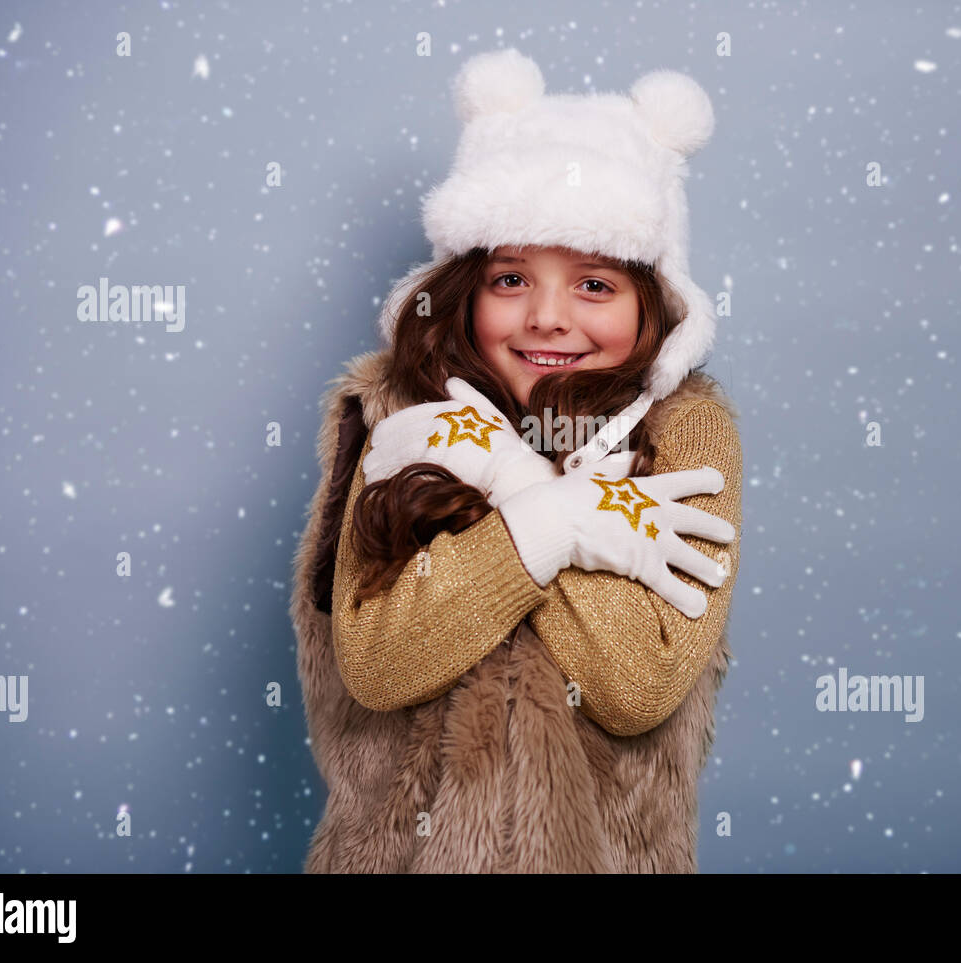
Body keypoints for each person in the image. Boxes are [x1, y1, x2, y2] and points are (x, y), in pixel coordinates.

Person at [290, 48, 743, 872]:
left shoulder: (686, 434)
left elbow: (635, 686)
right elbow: (380, 665)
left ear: (655, 304)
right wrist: (554, 522)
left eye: (594, 285)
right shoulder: (402, 418)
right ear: (463, 288)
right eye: (509, 279)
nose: (546, 318)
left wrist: (523, 484)